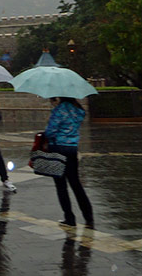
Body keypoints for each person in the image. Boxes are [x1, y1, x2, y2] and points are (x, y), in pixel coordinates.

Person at [45, 97, 94, 228]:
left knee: (61, 186)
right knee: (76, 183)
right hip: (72, 149)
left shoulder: (59, 110)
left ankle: (69, 218)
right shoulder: (78, 110)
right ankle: (88, 216)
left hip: (57, 149)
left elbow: (50, 132)